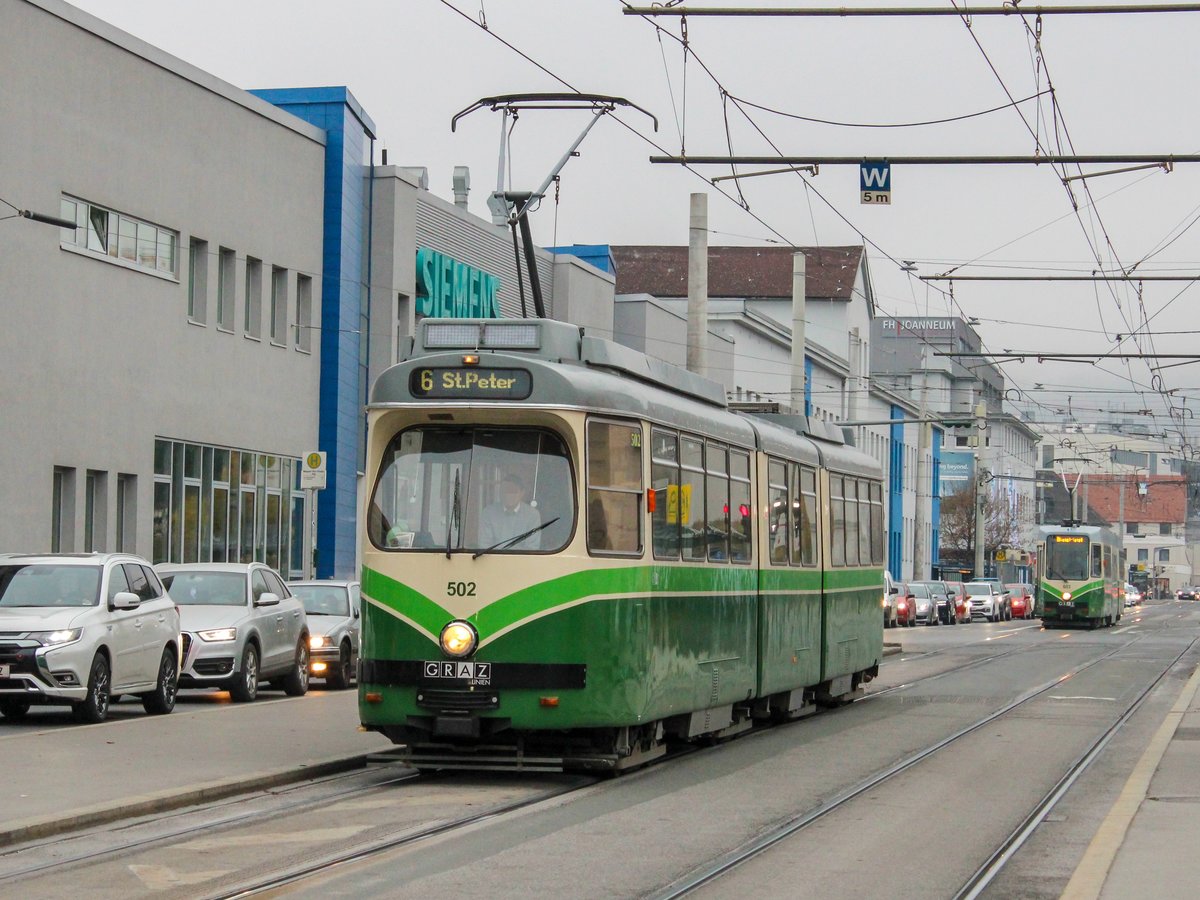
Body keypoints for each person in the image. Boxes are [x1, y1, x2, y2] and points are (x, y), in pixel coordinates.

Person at [478, 472, 541, 549]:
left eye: (513, 491)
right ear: (500, 493)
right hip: (493, 559)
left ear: (522, 493)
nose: (508, 495)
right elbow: (484, 545)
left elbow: (532, 547)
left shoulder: (532, 515)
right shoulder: (488, 513)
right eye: (505, 491)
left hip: (522, 560)